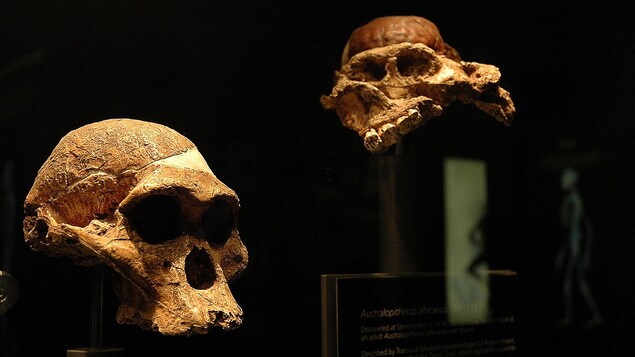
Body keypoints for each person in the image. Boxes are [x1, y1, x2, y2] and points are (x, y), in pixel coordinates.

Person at [555, 167, 602, 328]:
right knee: (570, 284)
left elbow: (581, 226)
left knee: (579, 283)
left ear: (571, 181)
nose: (562, 182)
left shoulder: (574, 199)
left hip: (577, 246)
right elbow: (570, 225)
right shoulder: (572, 199)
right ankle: (571, 317)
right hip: (575, 244)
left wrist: (586, 253)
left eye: (565, 179)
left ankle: (596, 316)